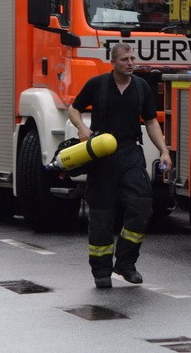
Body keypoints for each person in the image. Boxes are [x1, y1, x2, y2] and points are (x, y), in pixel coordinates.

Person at [68, 43, 172, 288]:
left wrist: (164, 150)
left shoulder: (141, 87)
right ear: (113, 62)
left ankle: (125, 264)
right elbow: (74, 109)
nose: (130, 63)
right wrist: (83, 129)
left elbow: (151, 121)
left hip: (130, 152)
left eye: (132, 58)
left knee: (142, 206)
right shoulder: (98, 84)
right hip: (102, 155)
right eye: (125, 59)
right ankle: (101, 272)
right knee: (102, 215)